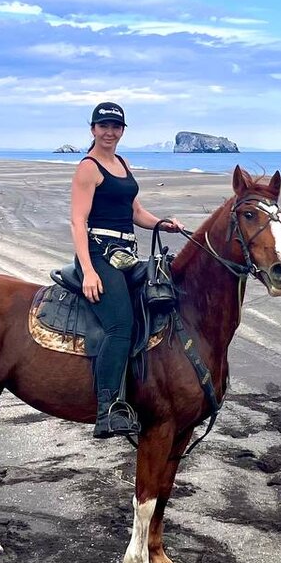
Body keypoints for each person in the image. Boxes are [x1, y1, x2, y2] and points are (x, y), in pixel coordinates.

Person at [71, 102, 181, 438]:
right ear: (92, 129)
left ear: (122, 131)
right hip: (98, 254)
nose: (109, 132)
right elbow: (78, 221)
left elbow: (135, 212)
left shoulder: (122, 163)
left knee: (162, 295)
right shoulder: (88, 168)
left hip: (126, 254)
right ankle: (108, 409)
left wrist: (161, 222)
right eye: (103, 126)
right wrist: (89, 271)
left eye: (115, 126)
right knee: (121, 324)